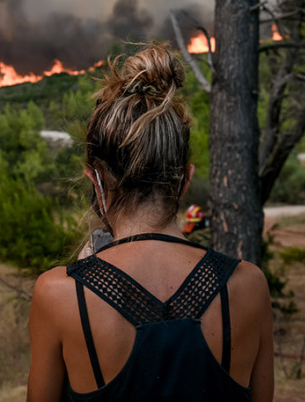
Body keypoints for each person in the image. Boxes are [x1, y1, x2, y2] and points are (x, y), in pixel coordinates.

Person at [27, 44, 273, 402]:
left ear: (95, 181)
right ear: (184, 180)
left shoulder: (60, 295)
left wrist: (85, 276)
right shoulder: (249, 285)